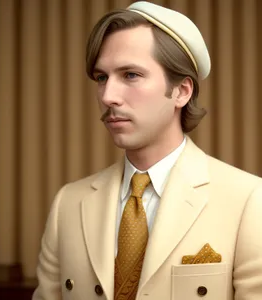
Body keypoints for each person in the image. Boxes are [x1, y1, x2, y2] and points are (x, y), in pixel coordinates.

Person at [32, 1, 262, 300]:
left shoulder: (248, 200)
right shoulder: (68, 204)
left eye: (130, 75)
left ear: (181, 91)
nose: (108, 96)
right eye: (102, 78)